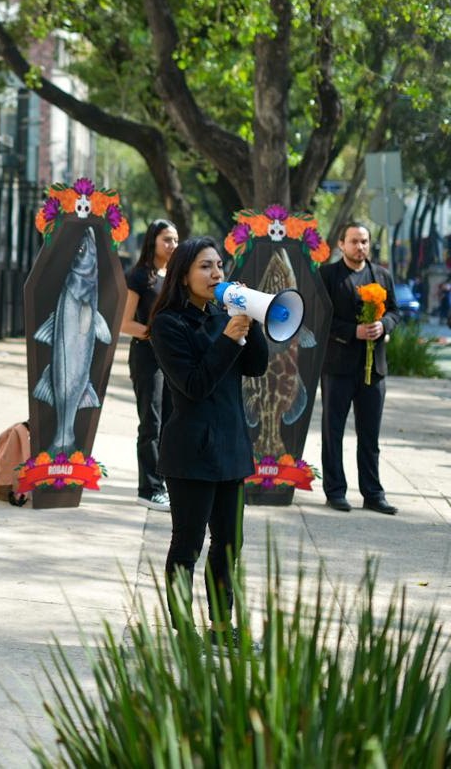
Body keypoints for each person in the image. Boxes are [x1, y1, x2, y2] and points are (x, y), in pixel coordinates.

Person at [149, 236, 268, 646]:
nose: (216, 274)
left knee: (229, 543)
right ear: (183, 274)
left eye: (219, 265)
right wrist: (229, 337)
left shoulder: (223, 315)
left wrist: (249, 320)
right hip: (192, 451)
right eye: (205, 266)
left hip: (232, 446)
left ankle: (221, 627)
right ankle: (184, 630)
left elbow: (256, 365)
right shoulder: (167, 324)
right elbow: (194, 385)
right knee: (188, 544)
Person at [318, 222, 401, 515]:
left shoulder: (382, 275)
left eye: (364, 241)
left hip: (373, 369)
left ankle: (373, 493)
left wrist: (383, 325)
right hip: (337, 367)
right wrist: (352, 332)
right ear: (341, 244)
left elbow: (394, 311)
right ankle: (335, 491)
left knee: (370, 435)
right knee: (333, 431)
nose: (360, 247)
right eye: (354, 241)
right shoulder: (327, 275)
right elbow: (319, 317)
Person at [120, 219, 178, 512]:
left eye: (176, 240)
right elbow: (124, 323)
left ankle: (165, 484)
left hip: (173, 359)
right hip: (147, 357)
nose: (172, 245)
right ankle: (149, 488)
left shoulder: (178, 276)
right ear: (153, 241)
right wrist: (155, 333)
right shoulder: (140, 276)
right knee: (151, 422)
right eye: (167, 239)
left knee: (171, 421)